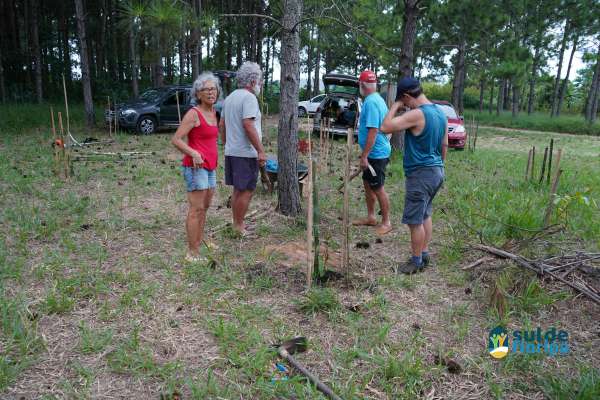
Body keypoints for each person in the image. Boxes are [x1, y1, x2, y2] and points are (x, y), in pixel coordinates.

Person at [381, 77, 448, 274]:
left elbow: (385, 127)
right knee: (425, 213)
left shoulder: (418, 114)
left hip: (420, 174)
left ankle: (416, 261)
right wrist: (439, 166)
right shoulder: (440, 112)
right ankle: (424, 253)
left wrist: (395, 106)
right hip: (436, 171)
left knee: (414, 220)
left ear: (408, 96)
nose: (405, 106)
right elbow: (445, 145)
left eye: (404, 102)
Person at [171, 72, 220, 262]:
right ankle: (192, 253)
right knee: (196, 209)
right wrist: (193, 153)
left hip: (210, 167)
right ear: (198, 94)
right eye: (206, 89)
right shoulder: (194, 113)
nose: (210, 92)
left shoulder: (214, 112)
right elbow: (175, 139)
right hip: (195, 168)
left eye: (213, 88)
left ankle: (200, 240)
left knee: (205, 207)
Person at [219, 61, 266, 236]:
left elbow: (221, 124)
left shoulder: (230, 97)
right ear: (253, 82)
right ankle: (238, 227)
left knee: (238, 189)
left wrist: (226, 144)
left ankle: (237, 224)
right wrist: (260, 150)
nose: (261, 84)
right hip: (245, 153)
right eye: (260, 81)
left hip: (232, 151)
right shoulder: (249, 98)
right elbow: (248, 124)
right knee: (246, 190)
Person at [352, 70, 392, 235]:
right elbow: (388, 125)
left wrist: (365, 156)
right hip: (375, 152)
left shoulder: (371, 103)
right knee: (368, 184)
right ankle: (370, 217)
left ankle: (386, 222)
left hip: (376, 155)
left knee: (378, 187)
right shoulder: (378, 99)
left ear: (362, 85)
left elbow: (373, 131)